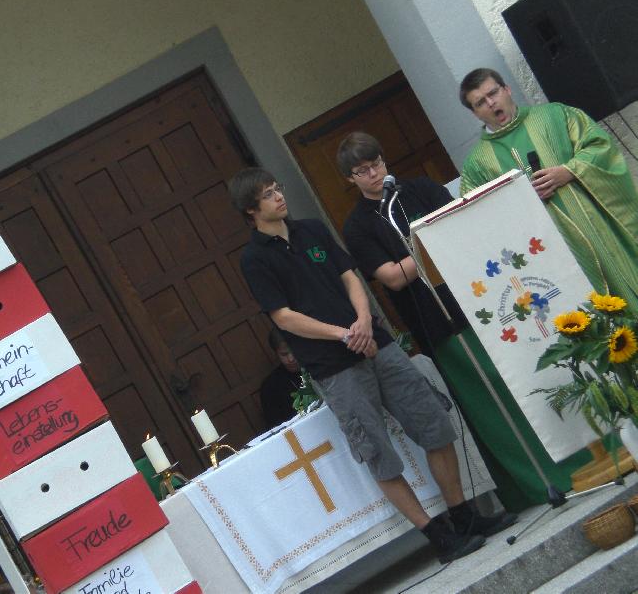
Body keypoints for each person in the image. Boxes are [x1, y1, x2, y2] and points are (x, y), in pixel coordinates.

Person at [230, 167, 515, 564]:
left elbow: (350, 278)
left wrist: (364, 321)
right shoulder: (255, 259)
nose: (279, 196)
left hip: (377, 344)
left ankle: (464, 516)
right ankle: (437, 536)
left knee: (433, 422)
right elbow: (284, 317)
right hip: (334, 365)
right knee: (378, 453)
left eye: (278, 188)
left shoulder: (311, 229)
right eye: (267, 194)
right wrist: (343, 335)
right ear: (250, 209)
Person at [337, 131, 590, 510]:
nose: (373, 174)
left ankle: (580, 460)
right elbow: (391, 277)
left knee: (527, 381)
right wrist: (430, 245)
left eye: (376, 163)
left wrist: (427, 249)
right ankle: (533, 483)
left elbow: (463, 233)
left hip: (481, 302)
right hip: (437, 323)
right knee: (490, 402)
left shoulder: (421, 189)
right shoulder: (358, 226)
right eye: (362, 171)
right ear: (350, 179)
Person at [459, 67, 638, 311]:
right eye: (480, 102)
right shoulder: (476, 165)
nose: (491, 103)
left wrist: (569, 171)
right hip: (547, 254)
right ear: (475, 113)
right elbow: (479, 220)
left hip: (596, 228)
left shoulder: (555, 115)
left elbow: (599, 146)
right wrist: (520, 202)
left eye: (493, 93)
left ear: (507, 89)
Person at [260, 327, 301, 429]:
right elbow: (276, 426)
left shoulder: (318, 366)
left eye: (293, 351)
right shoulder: (270, 387)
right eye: (284, 354)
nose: (291, 359)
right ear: (276, 354)